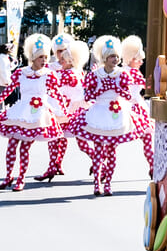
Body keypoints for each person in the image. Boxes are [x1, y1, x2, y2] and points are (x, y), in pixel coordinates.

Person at [65, 35, 144, 196]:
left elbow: (129, 96)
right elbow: (87, 97)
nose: (115, 59)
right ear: (105, 58)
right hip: (99, 112)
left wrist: (118, 90)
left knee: (112, 151)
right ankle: (97, 183)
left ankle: (108, 184)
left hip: (116, 112)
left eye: (116, 56)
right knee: (99, 150)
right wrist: (100, 90)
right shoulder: (95, 74)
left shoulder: (122, 74)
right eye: (112, 56)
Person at [0, 34, 65, 191]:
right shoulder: (21, 73)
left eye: (45, 57)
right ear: (33, 58)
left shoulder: (49, 75)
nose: (44, 60)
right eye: (40, 57)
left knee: (25, 148)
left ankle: (20, 179)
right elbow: (8, 90)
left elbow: (56, 94)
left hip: (38, 114)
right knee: (12, 145)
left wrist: (62, 111)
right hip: (21, 111)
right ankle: (8, 176)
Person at [38, 33, 88, 181]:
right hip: (55, 108)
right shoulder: (50, 67)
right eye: (58, 51)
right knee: (54, 137)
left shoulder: (75, 68)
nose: (61, 54)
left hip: (71, 109)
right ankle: (54, 165)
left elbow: (80, 88)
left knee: (79, 140)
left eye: (64, 50)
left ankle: (99, 164)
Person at [121, 35, 154, 172]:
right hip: (134, 108)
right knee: (147, 138)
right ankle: (153, 166)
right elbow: (147, 87)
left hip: (123, 107)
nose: (141, 62)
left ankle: (103, 168)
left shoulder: (121, 71)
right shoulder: (133, 73)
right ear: (130, 59)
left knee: (113, 139)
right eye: (138, 59)